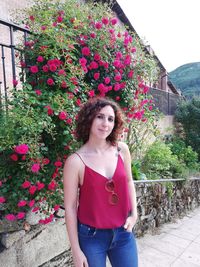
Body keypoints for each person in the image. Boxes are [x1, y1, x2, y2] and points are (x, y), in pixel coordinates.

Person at [63, 96, 138, 267]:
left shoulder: (122, 150)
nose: (105, 123)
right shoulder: (75, 161)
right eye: (100, 116)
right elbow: (70, 208)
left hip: (123, 233)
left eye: (110, 119)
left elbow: (129, 182)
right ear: (89, 118)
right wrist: (76, 250)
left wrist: (134, 214)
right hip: (91, 238)